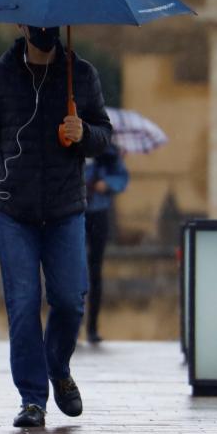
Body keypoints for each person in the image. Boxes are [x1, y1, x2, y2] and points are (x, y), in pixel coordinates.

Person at [0, 25, 113, 428]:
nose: (45, 29)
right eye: (37, 21)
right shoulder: (0, 78)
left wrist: (83, 132)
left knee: (70, 300)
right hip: (13, 211)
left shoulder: (81, 75)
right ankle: (33, 398)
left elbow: (104, 135)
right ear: (22, 25)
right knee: (22, 305)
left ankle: (58, 368)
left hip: (65, 208)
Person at [82, 143, 129, 345]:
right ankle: (72, 326)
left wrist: (106, 184)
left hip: (98, 213)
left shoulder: (109, 154)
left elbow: (121, 178)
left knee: (95, 271)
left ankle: (92, 326)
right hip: (74, 212)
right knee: (72, 270)